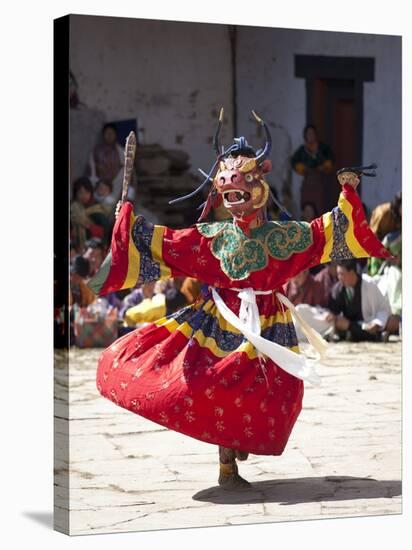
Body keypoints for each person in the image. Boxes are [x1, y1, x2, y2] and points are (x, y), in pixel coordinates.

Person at [88, 111, 391, 490]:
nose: (234, 192)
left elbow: (326, 233)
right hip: (223, 321)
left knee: (279, 393)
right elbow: (165, 245)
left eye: (243, 183)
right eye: (228, 186)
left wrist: (348, 193)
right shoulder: (211, 237)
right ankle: (227, 463)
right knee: (215, 382)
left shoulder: (285, 237)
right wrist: (128, 223)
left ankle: (239, 441)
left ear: (259, 188)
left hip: (270, 326)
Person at [327, 259, 397, 342]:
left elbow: (383, 308)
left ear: (352, 272)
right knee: (340, 324)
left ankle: (374, 335)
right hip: (349, 325)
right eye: (338, 274)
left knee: (392, 322)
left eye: (342, 274)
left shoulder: (369, 284)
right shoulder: (337, 289)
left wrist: (377, 322)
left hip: (369, 323)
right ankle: (377, 337)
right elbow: (334, 311)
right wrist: (332, 315)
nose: (339, 278)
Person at [291, 124, 334, 214]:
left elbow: (331, 160)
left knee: (320, 207)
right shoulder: (302, 150)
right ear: (305, 136)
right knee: (307, 208)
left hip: (320, 183)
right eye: (308, 134)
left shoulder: (323, 148)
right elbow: (293, 161)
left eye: (312, 133)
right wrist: (302, 169)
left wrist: (324, 167)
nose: (310, 136)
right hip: (308, 183)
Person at [70, 177, 112, 250]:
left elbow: (106, 229)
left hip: (93, 248)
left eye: (86, 192)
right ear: (75, 193)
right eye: (80, 192)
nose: (84, 196)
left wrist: (88, 226)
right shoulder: (72, 208)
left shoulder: (96, 208)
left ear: (91, 193)